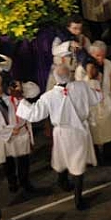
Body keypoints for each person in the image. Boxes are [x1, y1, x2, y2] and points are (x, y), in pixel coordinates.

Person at [16, 64, 102, 210]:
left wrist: (21, 100)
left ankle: (62, 182)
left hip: (61, 133)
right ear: (70, 75)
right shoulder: (82, 87)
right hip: (78, 132)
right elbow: (97, 97)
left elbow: (34, 114)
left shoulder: (48, 97)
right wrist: (94, 80)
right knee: (77, 165)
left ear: (55, 78)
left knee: (61, 158)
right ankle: (78, 199)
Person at [0, 72, 34, 193]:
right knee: (8, 162)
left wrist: (21, 89)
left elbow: (35, 91)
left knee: (23, 159)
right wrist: (9, 131)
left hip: (20, 132)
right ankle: (12, 182)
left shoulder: (11, 92)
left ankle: (24, 181)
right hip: (3, 136)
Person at [75, 41, 111, 162]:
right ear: (91, 55)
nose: (101, 58)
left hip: (106, 104)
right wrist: (90, 77)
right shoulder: (81, 70)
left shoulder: (108, 64)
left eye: (103, 55)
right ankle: (94, 157)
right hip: (91, 108)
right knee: (93, 135)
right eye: (98, 56)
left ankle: (109, 155)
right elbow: (80, 89)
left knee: (108, 133)